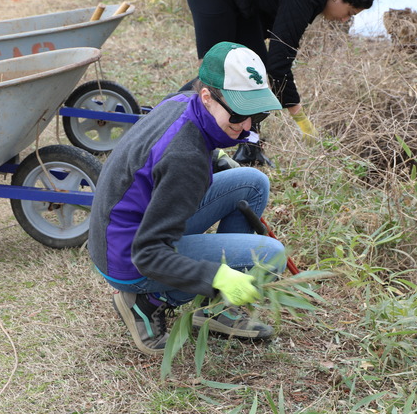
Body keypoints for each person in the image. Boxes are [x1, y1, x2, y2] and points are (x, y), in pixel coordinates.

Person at [88, 42, 287, 356]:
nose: (247, 127)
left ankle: (215, 310)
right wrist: (217, 277)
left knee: (252, 183)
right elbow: (148, 254)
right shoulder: (186, 159)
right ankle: (147, 301)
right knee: (270, 255)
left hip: (117, 229)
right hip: (127, 257)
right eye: (238, 114)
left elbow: (172, 149)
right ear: (208, 96)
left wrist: (217, 157)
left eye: (257, 114)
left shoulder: (185, 100)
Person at [185, 0, 379, 165]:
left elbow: (272, 62)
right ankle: (173, 123)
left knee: (253, 71)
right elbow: (279, 65)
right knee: (215, 76)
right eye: (349, 12)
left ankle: (250, 147)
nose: (345, 19)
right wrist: (303, 122)